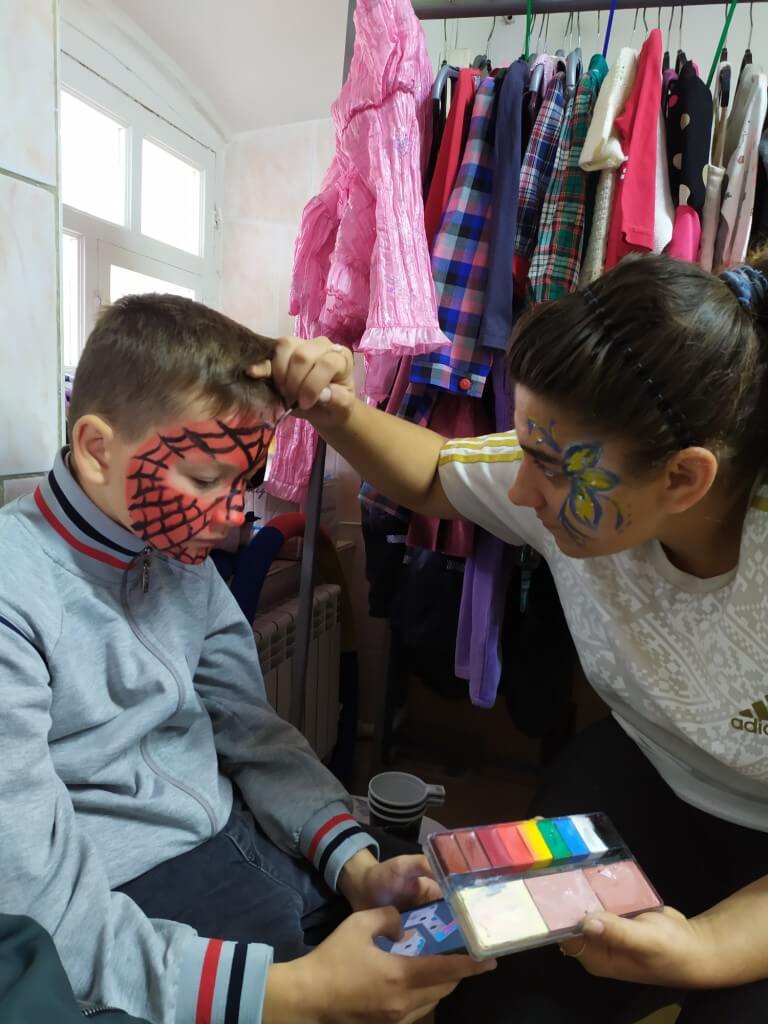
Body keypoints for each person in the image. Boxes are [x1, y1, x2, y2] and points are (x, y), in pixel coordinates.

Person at [261, 252, 768, 1023]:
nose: (522, 493)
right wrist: (334, 407)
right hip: (645, 768)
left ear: (682, 479)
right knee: (496, 997)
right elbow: (434, 472)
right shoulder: (572, 466)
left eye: (550, 469)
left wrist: (703, 948)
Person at [0, 295, 492, 1024]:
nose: (233, 517)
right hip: (128, 901)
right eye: (204, 481)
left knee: (456, 949)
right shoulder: (14, 595)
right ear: (98, 447)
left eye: (244, 483)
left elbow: (253, 733)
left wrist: (356, 867)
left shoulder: (174, 554)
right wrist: (304, 995)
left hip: (244, 840)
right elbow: (36, 905)